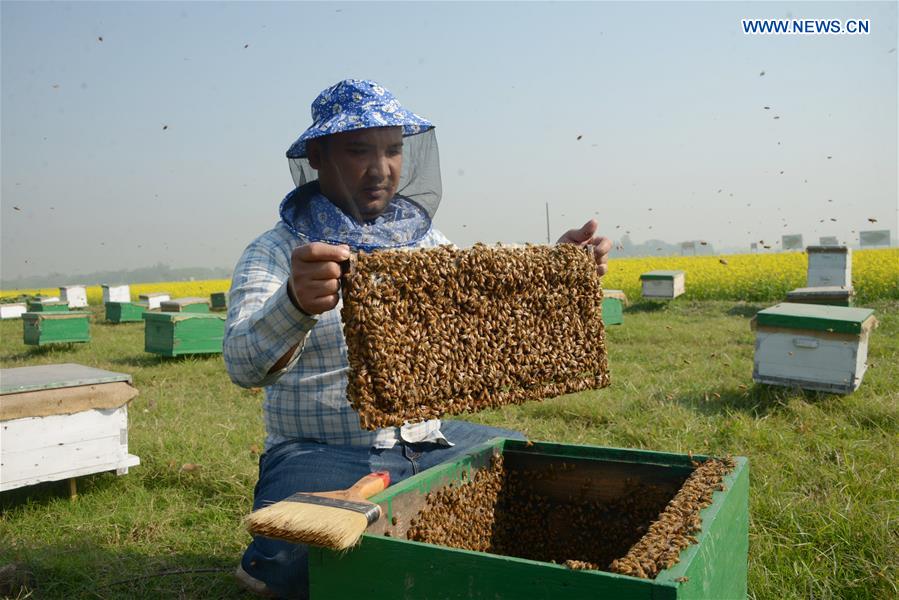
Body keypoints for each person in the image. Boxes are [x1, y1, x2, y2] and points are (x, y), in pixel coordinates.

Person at [223, 79, 612, 599]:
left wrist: (553, 270)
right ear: (318, 155)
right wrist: (294, 302)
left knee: (524, 471)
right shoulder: (274, 252)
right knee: (295, 562)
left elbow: (481, 320)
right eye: (360, 150)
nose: (381, 168)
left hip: (429, 441)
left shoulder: (426, 242)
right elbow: (242, 364)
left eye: (394, 149)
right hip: (323, 451)